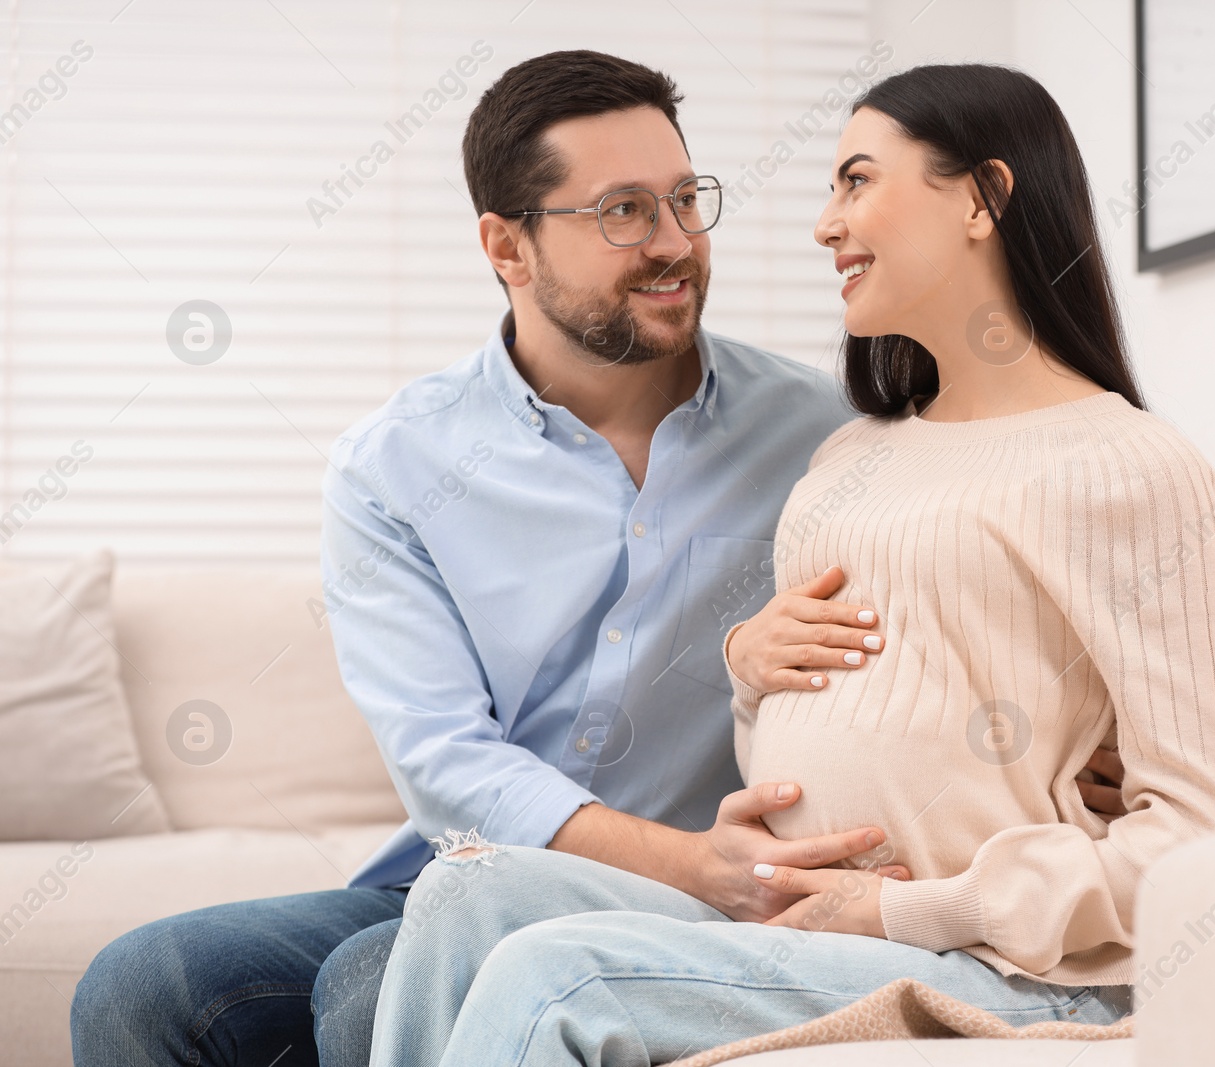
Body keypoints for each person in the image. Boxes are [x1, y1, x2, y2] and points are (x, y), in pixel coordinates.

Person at [68, 47, 1133, 1067]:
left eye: (684, 198)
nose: (674, 240)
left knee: (366, 984)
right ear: (507, 248)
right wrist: (697, 864)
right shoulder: (394, 464)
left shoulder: (825, 432)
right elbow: (445, 760)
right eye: (623, 210)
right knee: (141, 980)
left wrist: (1083, 731)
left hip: (721, 892)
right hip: (484, 872)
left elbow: (995, 580)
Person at [363, 62, 1215, 1067]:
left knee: (553, 978)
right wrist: (748, 672)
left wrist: (908, 901)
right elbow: (800, 734)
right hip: (795, 909)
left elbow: (1197, 838)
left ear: (981, 197)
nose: (824, 223)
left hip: (988, 954)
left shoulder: (1128, 468)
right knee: (462, 886)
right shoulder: (846, 457)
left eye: (856, 181)